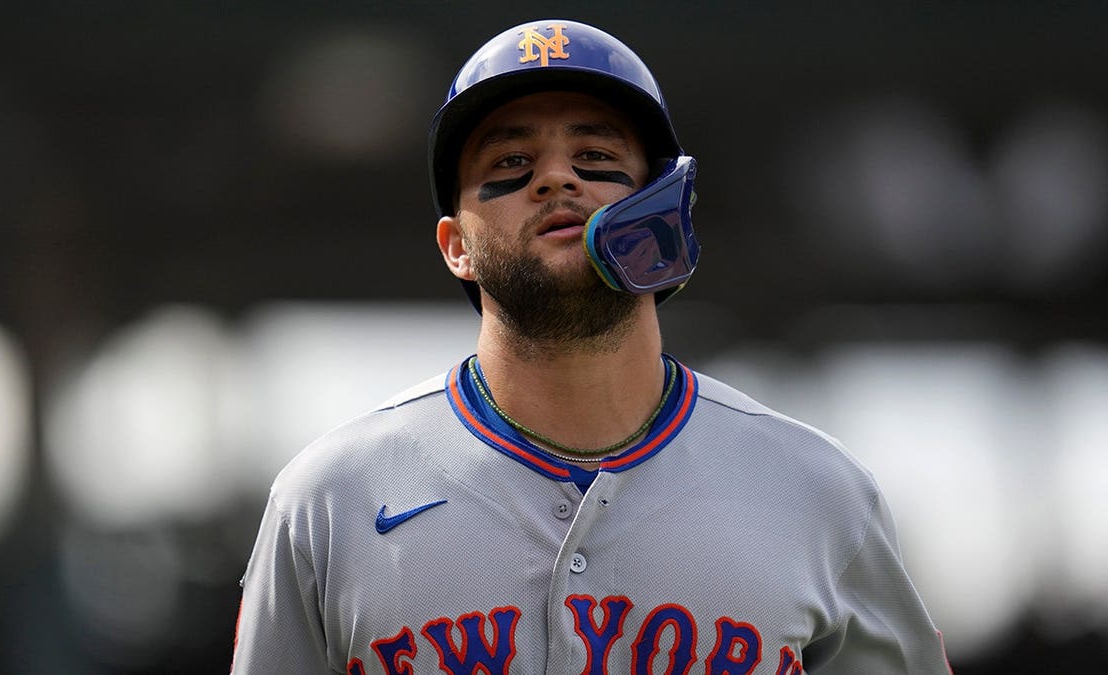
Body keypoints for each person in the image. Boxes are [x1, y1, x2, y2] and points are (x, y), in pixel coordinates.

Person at [231, 19, 952, 674]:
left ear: (663, 205)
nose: (556, 177)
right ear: (456, 246)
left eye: (596, 154)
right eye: (511, 161)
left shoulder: (817, 492)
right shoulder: (330, 499)